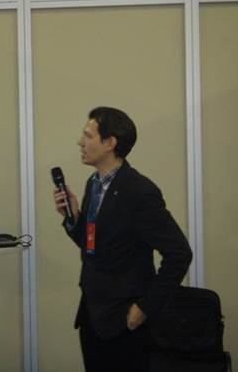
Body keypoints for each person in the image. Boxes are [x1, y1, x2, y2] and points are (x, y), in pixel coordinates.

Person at [53, 107, 192, 372]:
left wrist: (143, 308)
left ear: (110, 143)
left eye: (88, 136)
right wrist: (73, 218)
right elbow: (96, 246)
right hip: (92, 315)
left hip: (124, 320)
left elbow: (179, 253)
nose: (80, 142)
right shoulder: (94, 184)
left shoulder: (139, 191)